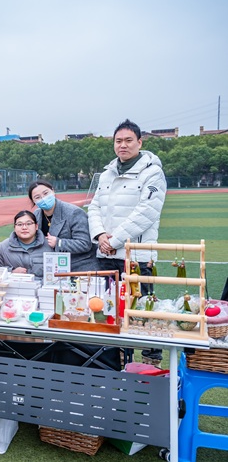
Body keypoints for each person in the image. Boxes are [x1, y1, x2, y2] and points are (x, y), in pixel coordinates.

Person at [87, 119, 167, 365]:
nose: (123, 145)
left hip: (137, 255)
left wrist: (115, 240)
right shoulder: (107, 173)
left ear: (139, 142)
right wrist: (100, 235)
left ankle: (150, 360)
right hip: (106, 254)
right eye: (118, 141)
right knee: (108, 307)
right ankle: (116, 357)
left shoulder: (152, 172)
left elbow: (146, 213)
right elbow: (94, 207)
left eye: (128, 140)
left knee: (143, 308)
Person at [27, 179, 97, 272]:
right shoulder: (36, 215)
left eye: (46, 193)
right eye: (37, 197)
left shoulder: (74, 212)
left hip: (80, 266)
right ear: (33, 201)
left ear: (53, 191)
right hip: (52, 267)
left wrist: (59, 243)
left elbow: (85, 244)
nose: (43, 198)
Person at [0, 210, 53, 280]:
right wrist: (11, 272)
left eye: (28, 224)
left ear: (36, 226)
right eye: (20, 224)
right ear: (14, 228)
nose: (24, 227)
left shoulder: (49, 246)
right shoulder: (3, 247)